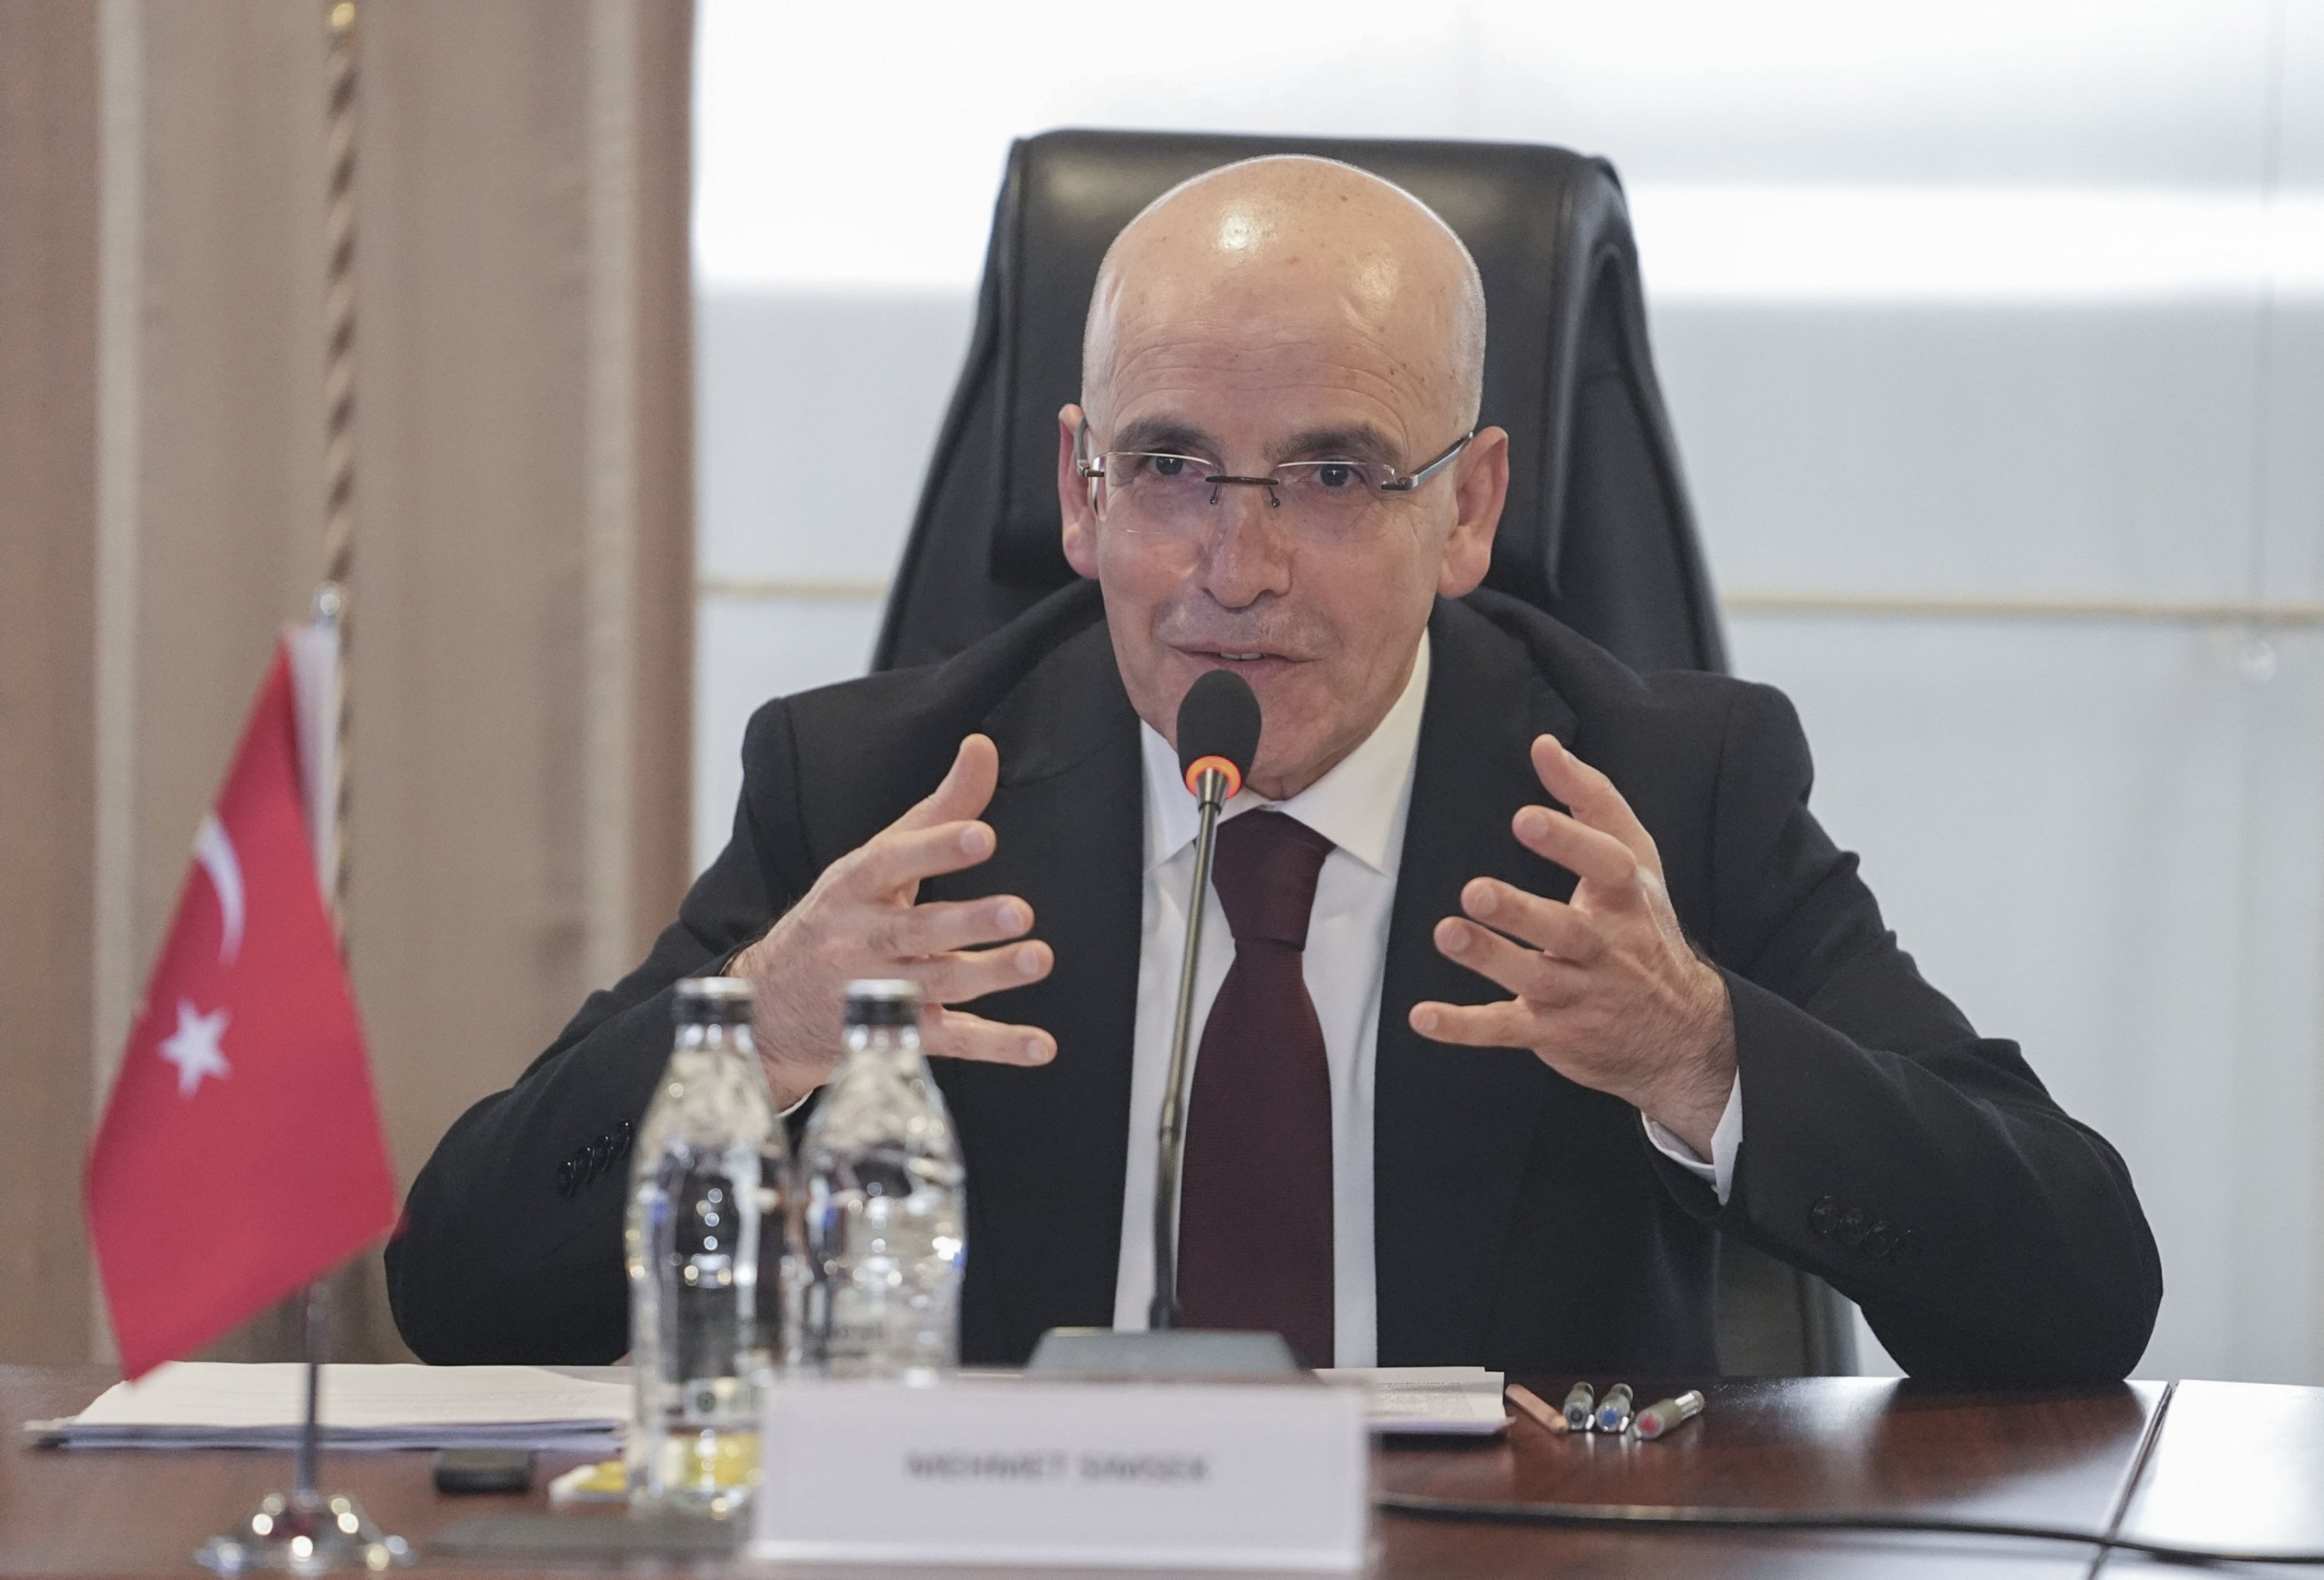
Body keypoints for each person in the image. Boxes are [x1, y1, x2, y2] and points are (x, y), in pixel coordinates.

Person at [387, 156, 2160, 1379]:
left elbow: (2079, 1290)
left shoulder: (1656, 794)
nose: (1235, 570)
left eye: (1333, 476)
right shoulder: (887, 795)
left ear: (1469, 508)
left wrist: (1703, 1053)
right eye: (1169, 468)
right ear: (1078, 489)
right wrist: (756, 1036)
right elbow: (461, 1291)